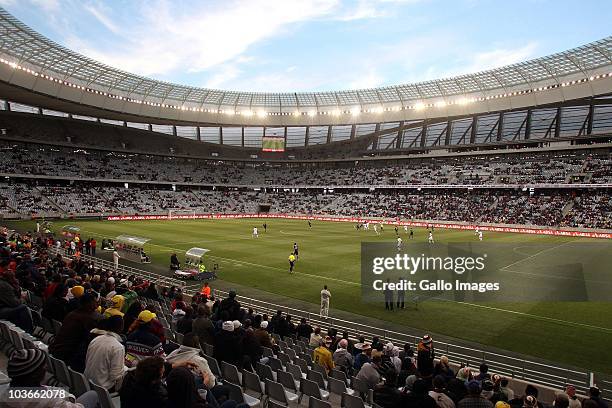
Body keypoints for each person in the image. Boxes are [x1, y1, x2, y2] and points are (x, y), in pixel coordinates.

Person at [2, 348, 99, 408]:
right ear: (35, 374)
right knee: (93, 394)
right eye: (43, 367)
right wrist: (70, 398)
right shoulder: (49, 401)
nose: (46, 368)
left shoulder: (5, 394)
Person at [50, 293, 100, 372]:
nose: (97, 304)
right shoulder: (88, 318)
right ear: (89, 304)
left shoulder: (72, 314)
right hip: (66, 355)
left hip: (57, 350)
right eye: (95, 302)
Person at [84, 315, 128, 392]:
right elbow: (116, 376)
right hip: (103, 388)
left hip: (87, 383)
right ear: (121, 328)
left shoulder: (96, 339)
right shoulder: (118, 347)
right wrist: (126, 370)